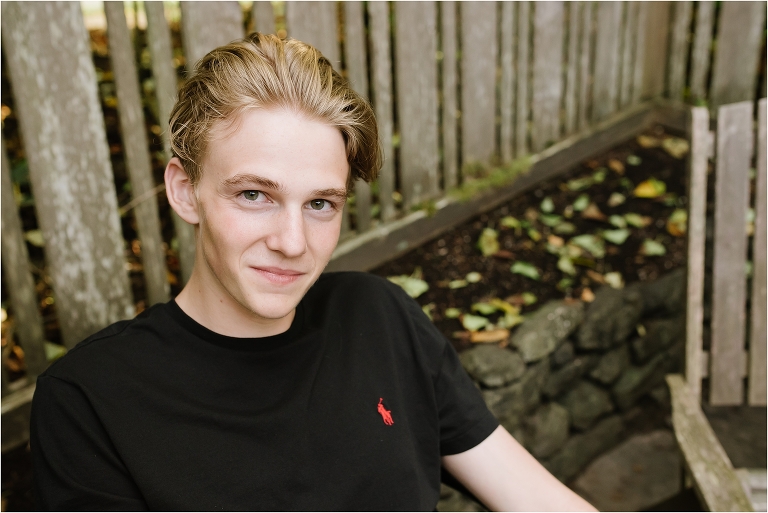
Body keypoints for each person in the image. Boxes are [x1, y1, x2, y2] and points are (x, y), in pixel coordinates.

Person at [30, 33, 596, 511]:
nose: (292, 243)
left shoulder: (379, 317)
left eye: (321, 204)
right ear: (185, 191)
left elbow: (539, 499)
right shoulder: (91, 398)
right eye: (254, 194)